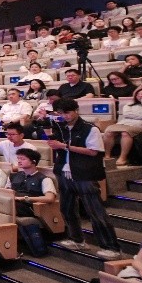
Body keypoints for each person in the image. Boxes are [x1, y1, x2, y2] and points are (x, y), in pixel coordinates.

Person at [47, 98, 120, 258]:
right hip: (64, 171)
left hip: (84, 173)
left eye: (67, 112)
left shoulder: (89, 129)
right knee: (66, 209)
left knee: (96, 211)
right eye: (60, 113)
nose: (64, 116)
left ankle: (111, 247)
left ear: (76, 110)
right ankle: (77, 239)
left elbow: (94, 151)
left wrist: (65, 146)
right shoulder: (61, 128)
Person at [103, 87, 142, 166]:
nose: (140, 96)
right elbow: (127, 115)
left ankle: (123, 157)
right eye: (138, 94)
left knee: (125, 133)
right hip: (124, 123)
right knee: (109, 131)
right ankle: (107, 155)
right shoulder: (129, 104)